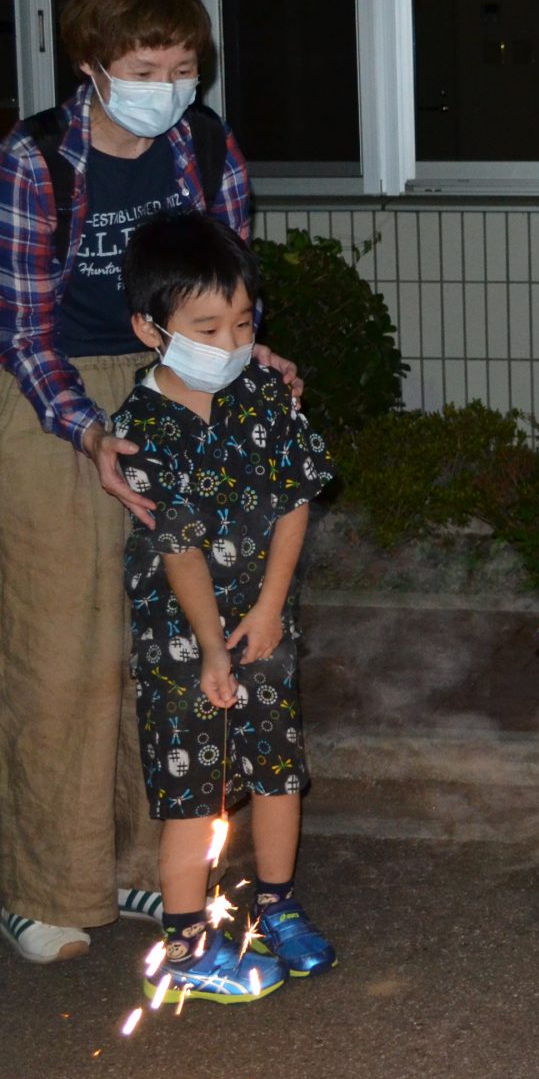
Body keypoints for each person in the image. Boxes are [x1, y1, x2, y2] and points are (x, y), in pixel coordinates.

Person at [0, 0, 291, 964]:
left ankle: (157, 869)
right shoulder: (32, 166)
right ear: (92, 65)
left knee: (167, 642)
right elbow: (22, 332)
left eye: (183, 64)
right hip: (57, 398)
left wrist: (244, 352)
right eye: (147, 66)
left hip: (179, 387)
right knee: (58, 645)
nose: (169, 87)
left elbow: (225, 278)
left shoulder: (205, 145)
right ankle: (51, 884)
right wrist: (94, 430)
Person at [112, 211, 338, 1002]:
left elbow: (294, 502)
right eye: (205, 326)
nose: (229, 340)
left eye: (243, 321)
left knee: (278, 771)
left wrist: (271, 609)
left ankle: (276, 905)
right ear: (151, 327)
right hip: (182, 638)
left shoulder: (264, 394)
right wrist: (211, 646)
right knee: (191, 790)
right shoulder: (140, 427)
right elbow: (177, 546)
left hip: (264, 622)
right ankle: (187, 945)